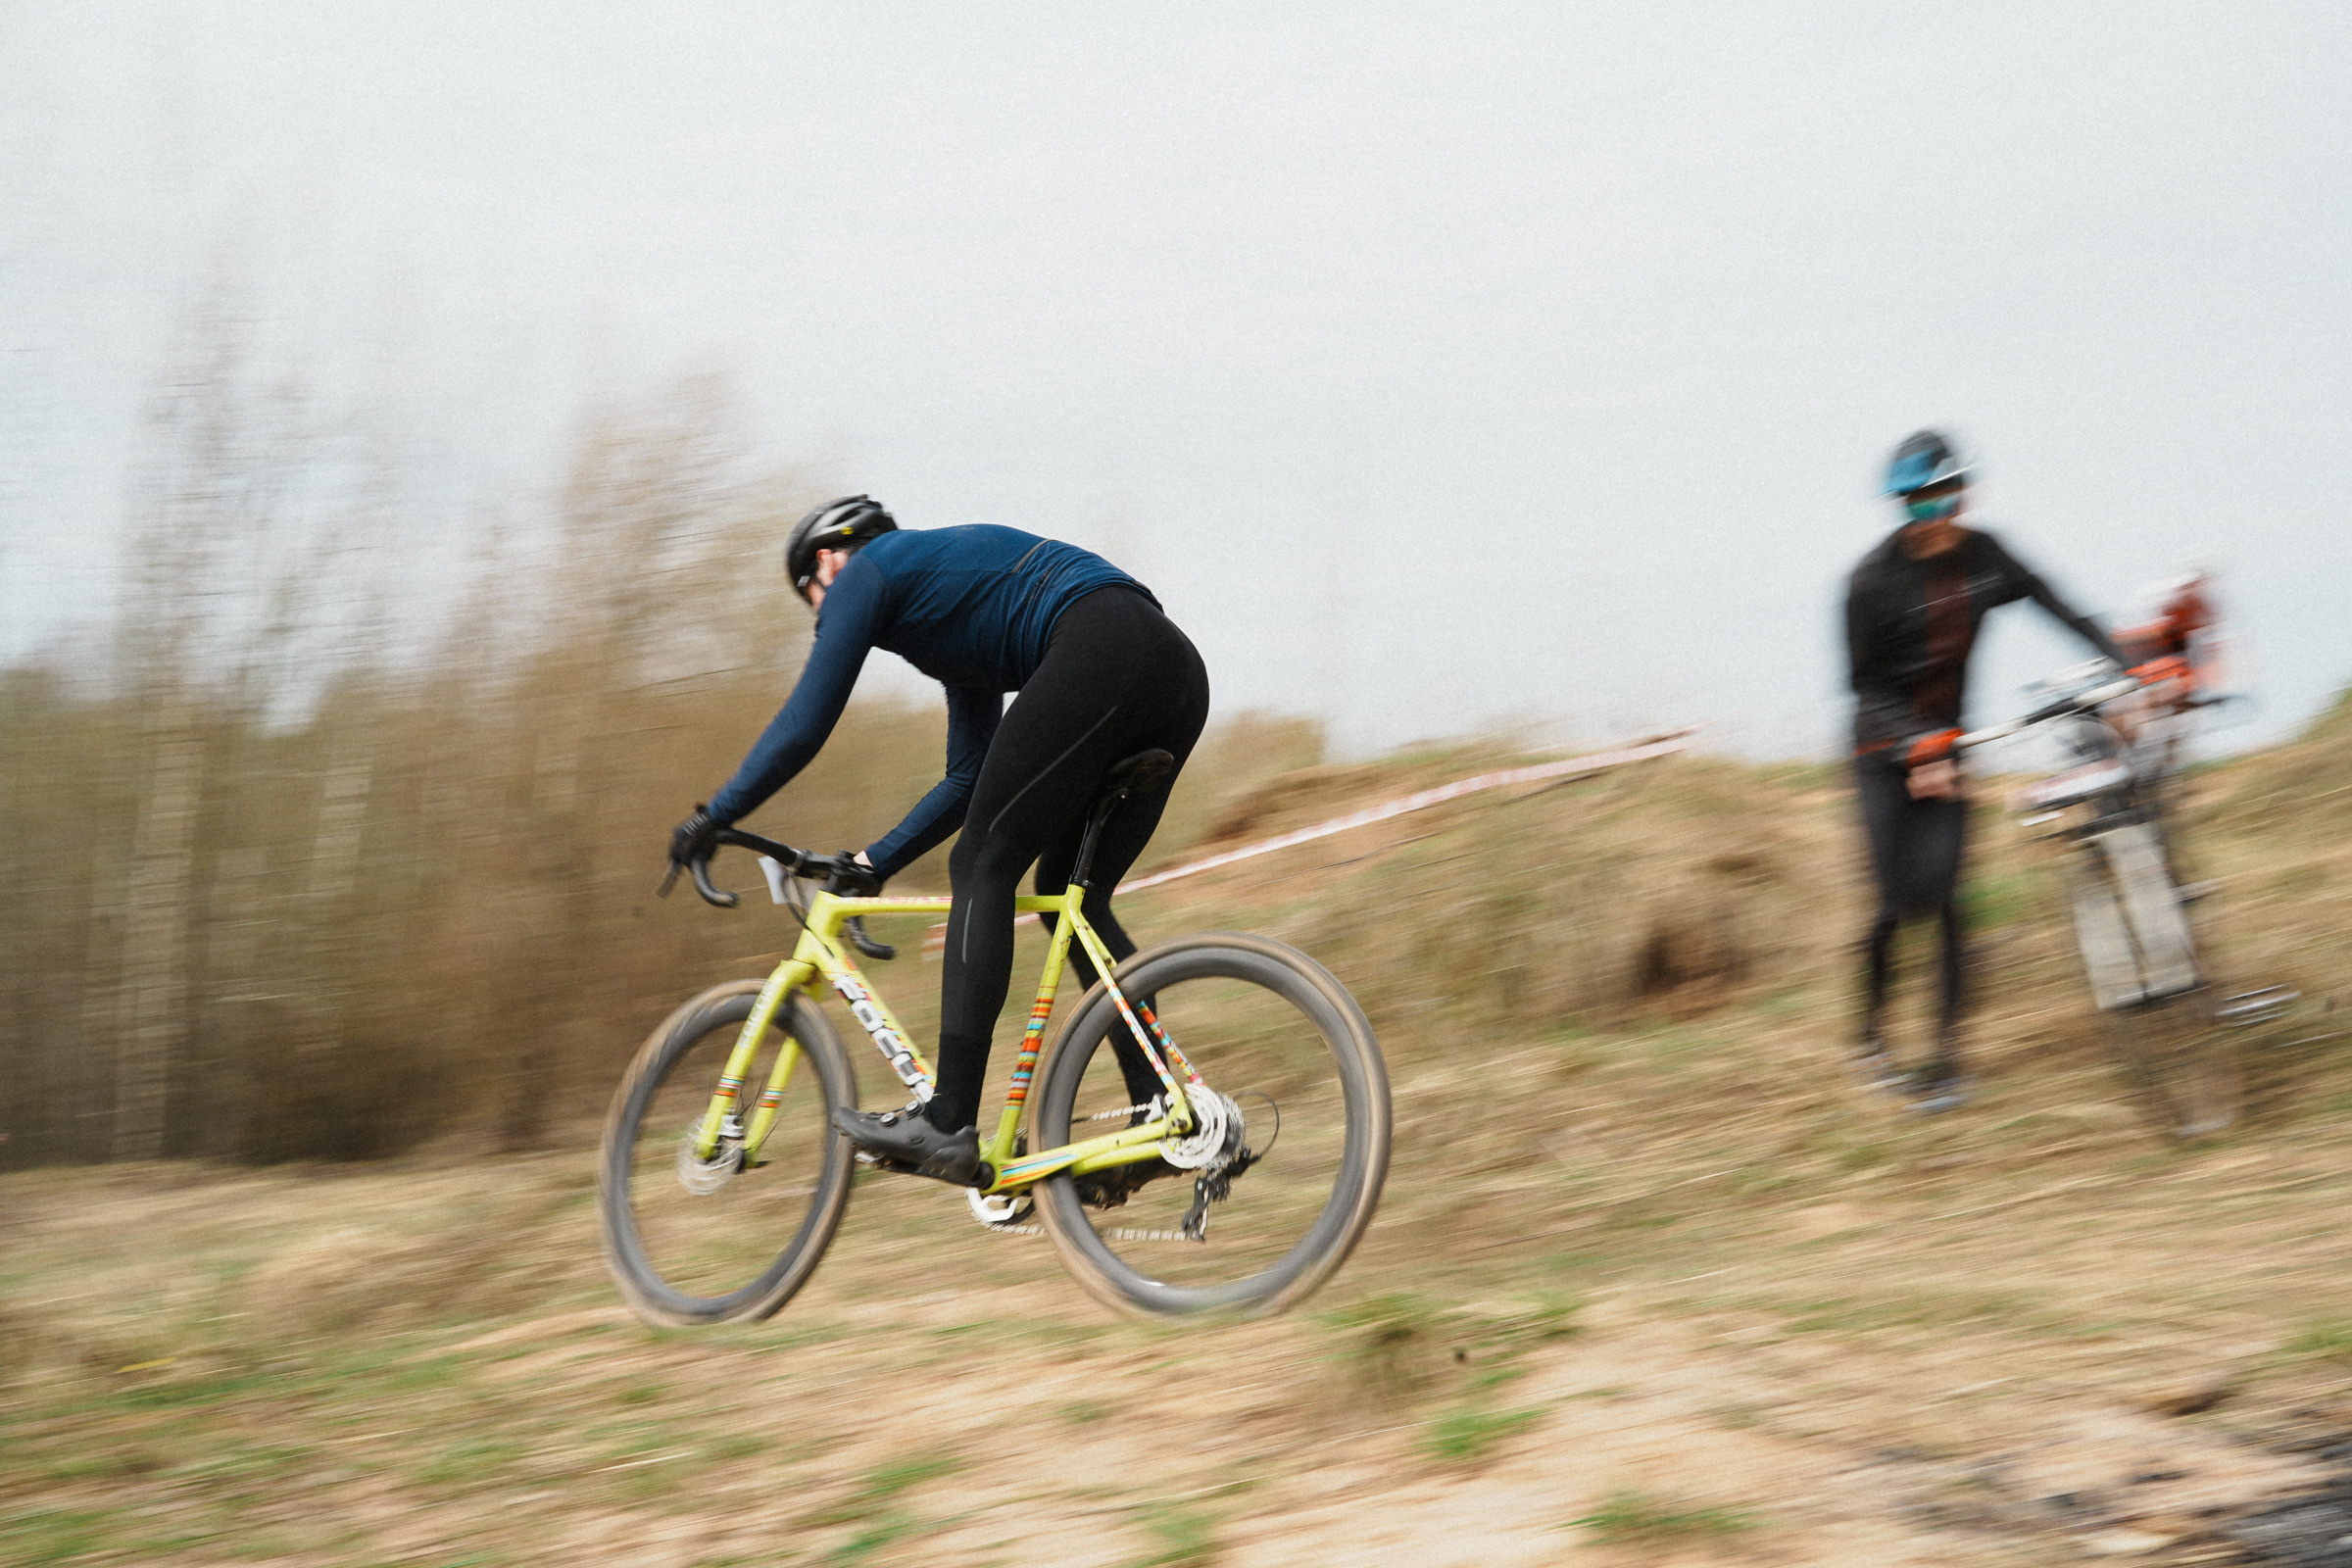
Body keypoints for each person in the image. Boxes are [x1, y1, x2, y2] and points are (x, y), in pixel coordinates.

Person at [667, 497, 1210, 1185]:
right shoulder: (946, 611)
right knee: (1070, 896)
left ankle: (948, 1119)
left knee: (982, 864)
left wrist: (715, 814)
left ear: (830, 559)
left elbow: (806, 721)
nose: (817, 613)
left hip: (1103, 641)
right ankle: (1160, 1114)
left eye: (809, 592)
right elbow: (968, 776)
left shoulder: (867, 573)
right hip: (1171, 669)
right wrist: (876, 861)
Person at [1843, 431, 2125, 1112]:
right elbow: (1866, 688)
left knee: (1945, 902)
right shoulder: (1869, 583)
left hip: (1953, 751)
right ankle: (1870, 1037)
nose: (1935, 517)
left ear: (1966, 491)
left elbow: (2055, 602)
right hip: (1881, 758)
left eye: (1946, 498)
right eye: (1917, 506)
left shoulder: (1987, 556)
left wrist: (2125, 661)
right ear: (1900, 508)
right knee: (1896, 905)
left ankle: (1944, 1058)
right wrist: (1918, 746)